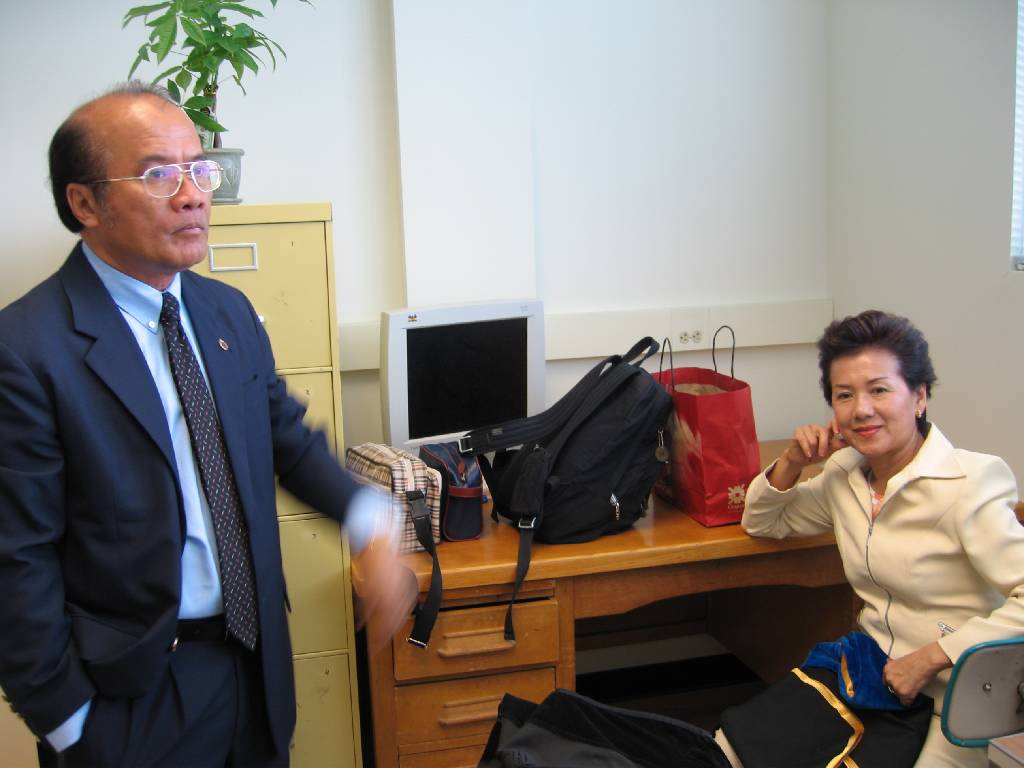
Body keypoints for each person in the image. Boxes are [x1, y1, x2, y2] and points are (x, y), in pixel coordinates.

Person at [0, 81, 417, 768]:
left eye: (199, 169)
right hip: (128, 699)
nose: (193, 195)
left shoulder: (226, 313)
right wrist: (70, 725)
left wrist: (368, 520)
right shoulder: (26, 349)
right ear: (84, 204)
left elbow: (284, 438)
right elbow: (16, 559)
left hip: (253, 668)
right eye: (158, 175)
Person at [716, 309, 1024, 768]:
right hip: (871, 678)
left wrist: (932, 657)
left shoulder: (969, 482)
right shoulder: (846, 474)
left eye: (879, 390)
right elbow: (763, 522)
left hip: (955, 699)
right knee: (729, 749)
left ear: (919, 396)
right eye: (845, 395)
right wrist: (793, 461)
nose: (861, 409)